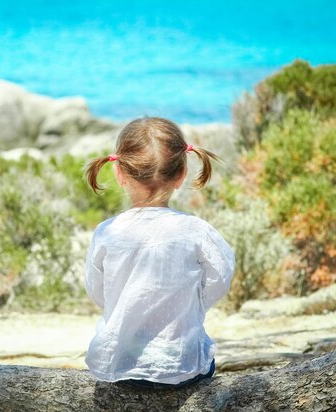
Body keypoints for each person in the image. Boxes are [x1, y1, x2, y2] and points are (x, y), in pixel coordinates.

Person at [83, 116, 235, 390]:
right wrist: (193, 301)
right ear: (181, 175)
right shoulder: (195, 230)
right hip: (182, 367)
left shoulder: (107, 232)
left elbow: (97, 292)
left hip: (118, 366)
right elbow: (221, 277)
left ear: (119, 173)